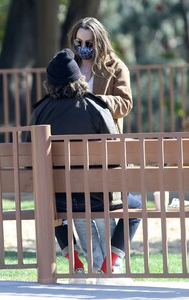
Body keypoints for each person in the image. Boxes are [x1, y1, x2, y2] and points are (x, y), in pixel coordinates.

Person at [27, 48, 129, 277]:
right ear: (79, 79)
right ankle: (110, 263)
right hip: (99, 196)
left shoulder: (40, 113)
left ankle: (76, 259)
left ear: (50, 83)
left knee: (54, 208)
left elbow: (29, 162)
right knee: (135, 204)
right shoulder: (95, 108)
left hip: (60, 199)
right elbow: (115, 155)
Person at [67, 16, 142, 274]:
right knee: (76, 204)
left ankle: (109, 262)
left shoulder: (115, 67)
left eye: (88, 42)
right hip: (74, 153)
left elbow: (125, 103)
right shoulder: (70, 66)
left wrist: (96, 101)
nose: (83, 47)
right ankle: (96, 262)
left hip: (105, 150)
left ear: (99, 42)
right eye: (78, 41)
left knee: (110, 206)